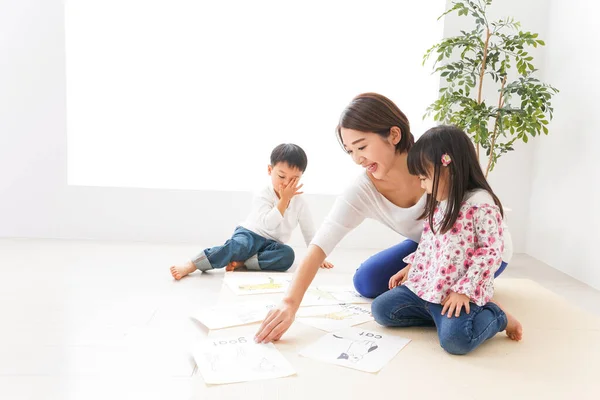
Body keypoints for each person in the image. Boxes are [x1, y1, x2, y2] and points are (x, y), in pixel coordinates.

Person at [255, 93, 513, 343]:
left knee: (450, 322)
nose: (357, 159)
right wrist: (289, 304)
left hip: (478, 249)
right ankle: (436, 306)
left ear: (394, 134)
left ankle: (481, 311)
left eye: (362, 147)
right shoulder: (362, 189)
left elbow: (480, 223)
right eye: (350, 151)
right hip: (432, 246)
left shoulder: (437, 166)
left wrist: (456, 285)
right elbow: (321, 242)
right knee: (367, 282)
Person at [373, 125, 522, 355]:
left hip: (460, 291)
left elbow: (490, 252)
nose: (422, 185)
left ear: (447, 168)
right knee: (381, 309)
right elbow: (429, 243)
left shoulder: (481, 203)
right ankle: (440, 316)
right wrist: (411, 267)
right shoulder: (441, 201)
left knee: (456, 341)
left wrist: (463, 291)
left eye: (424, 177)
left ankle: (496, 315)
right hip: (430, 286)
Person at [170, 143, 333, 280]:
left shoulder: (300, 203)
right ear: (270, 170)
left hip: (272, 245)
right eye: (281, 176)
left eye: (293, 179)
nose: (286, 183)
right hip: (250, 234)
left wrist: (318, 257)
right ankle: (193, 264)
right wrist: (283, 201)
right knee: (238, 246)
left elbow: (309, 231)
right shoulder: (263, 194)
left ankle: (243, 263)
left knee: (287, 256)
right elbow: (268, 224)